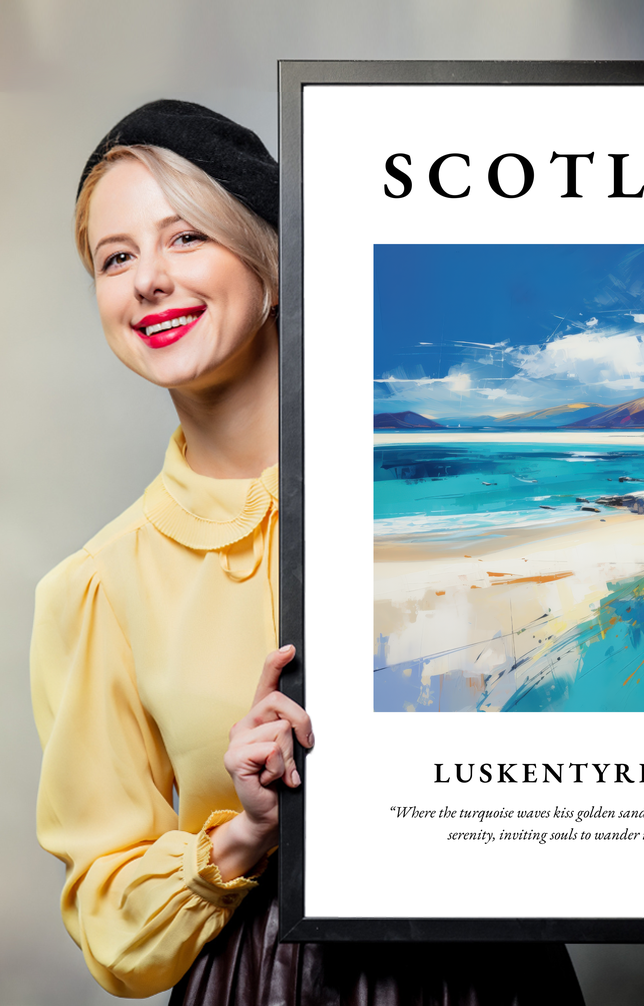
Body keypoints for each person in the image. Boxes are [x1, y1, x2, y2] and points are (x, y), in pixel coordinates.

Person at [30, 100, 586, 1004]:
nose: (148, 281)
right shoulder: (97, 587)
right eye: (116, 257)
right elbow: (110, 923)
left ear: (273, 263)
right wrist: (245, 832)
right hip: (262, 982)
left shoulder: (443, 501)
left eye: (185, 238)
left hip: (493, 973)